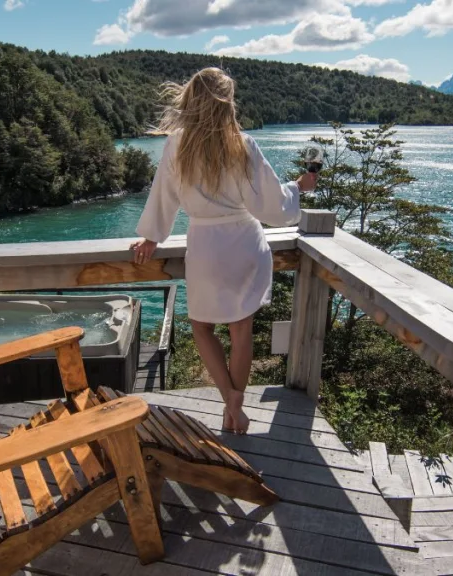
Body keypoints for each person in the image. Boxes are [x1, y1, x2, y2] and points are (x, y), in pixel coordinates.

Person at [130, 68, 317, 434]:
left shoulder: (176, 144)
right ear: (226, 104)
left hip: (205, 246)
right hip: (245, 243)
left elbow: (163, 196)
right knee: (241, 330)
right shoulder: (242, 144)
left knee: (202, 327)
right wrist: (297, 187)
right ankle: (236, 404)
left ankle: (229, 400)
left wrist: (152, 237)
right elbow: (271, 207)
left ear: (190, 102)